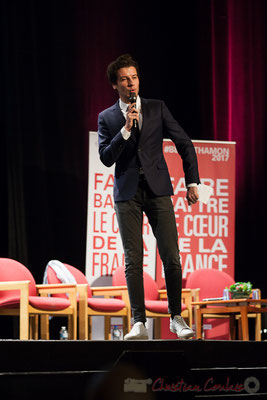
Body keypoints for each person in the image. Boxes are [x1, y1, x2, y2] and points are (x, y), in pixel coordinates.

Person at [97, 54, 200, 340]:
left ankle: (176, 317)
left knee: (171, 255)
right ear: (114, 86)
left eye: (134, 78)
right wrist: (125, 130)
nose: (131, 84)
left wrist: (192, 181)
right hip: (127, 193)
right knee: (134, 259)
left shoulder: (156, 108)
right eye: (124, 80)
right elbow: (106, 158)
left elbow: (184, 143)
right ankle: (139, 322)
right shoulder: (107, 118)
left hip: (157, 189)